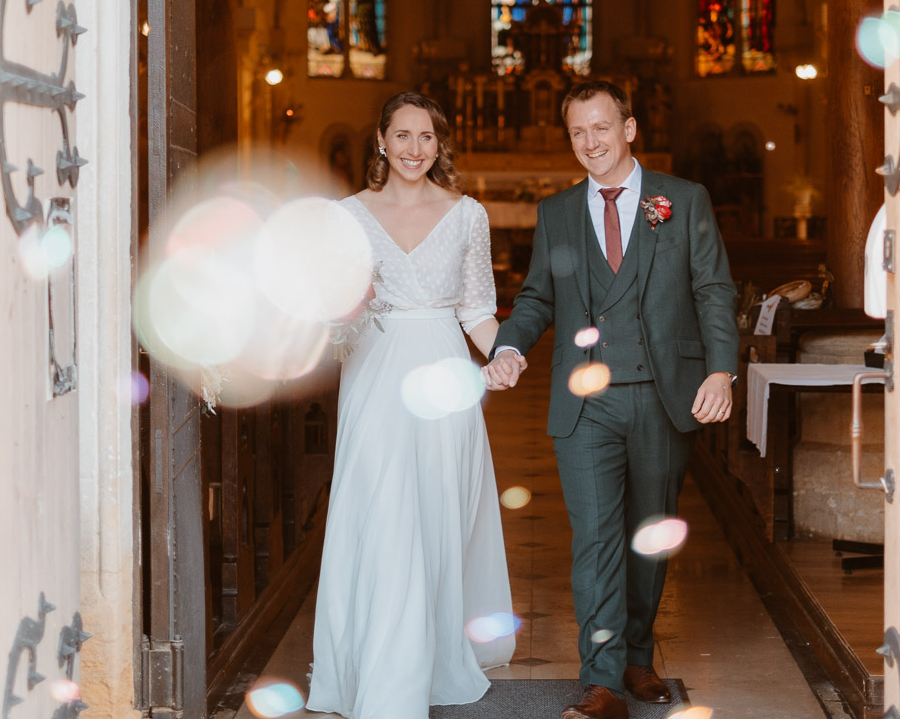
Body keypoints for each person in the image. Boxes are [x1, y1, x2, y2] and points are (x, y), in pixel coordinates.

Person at [482, 80, 738, 719]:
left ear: (629, 128)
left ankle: (636, 657)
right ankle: (600, 682)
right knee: (595, 539)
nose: (590, 142)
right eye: (577, 132)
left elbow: (712, 289)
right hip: (584, 403)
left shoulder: (682, 199)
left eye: (601, 128)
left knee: (649, 535)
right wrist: (509, 346)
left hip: (662, 395)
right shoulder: (556, 212)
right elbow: (537, 296)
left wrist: (721, 372)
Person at [308, 91, 515, 719]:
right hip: (374, 370)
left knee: (434, 511)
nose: (413, 149)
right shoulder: (347, 214)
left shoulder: (467, 213)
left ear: (439, 143)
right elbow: (329, 309)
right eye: (402, 136)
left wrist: (501, 353)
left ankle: (426, 660)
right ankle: (375, 672)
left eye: (426, 137)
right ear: (380, 141)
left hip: (445, 374)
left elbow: (476, 307)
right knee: (377, 510)